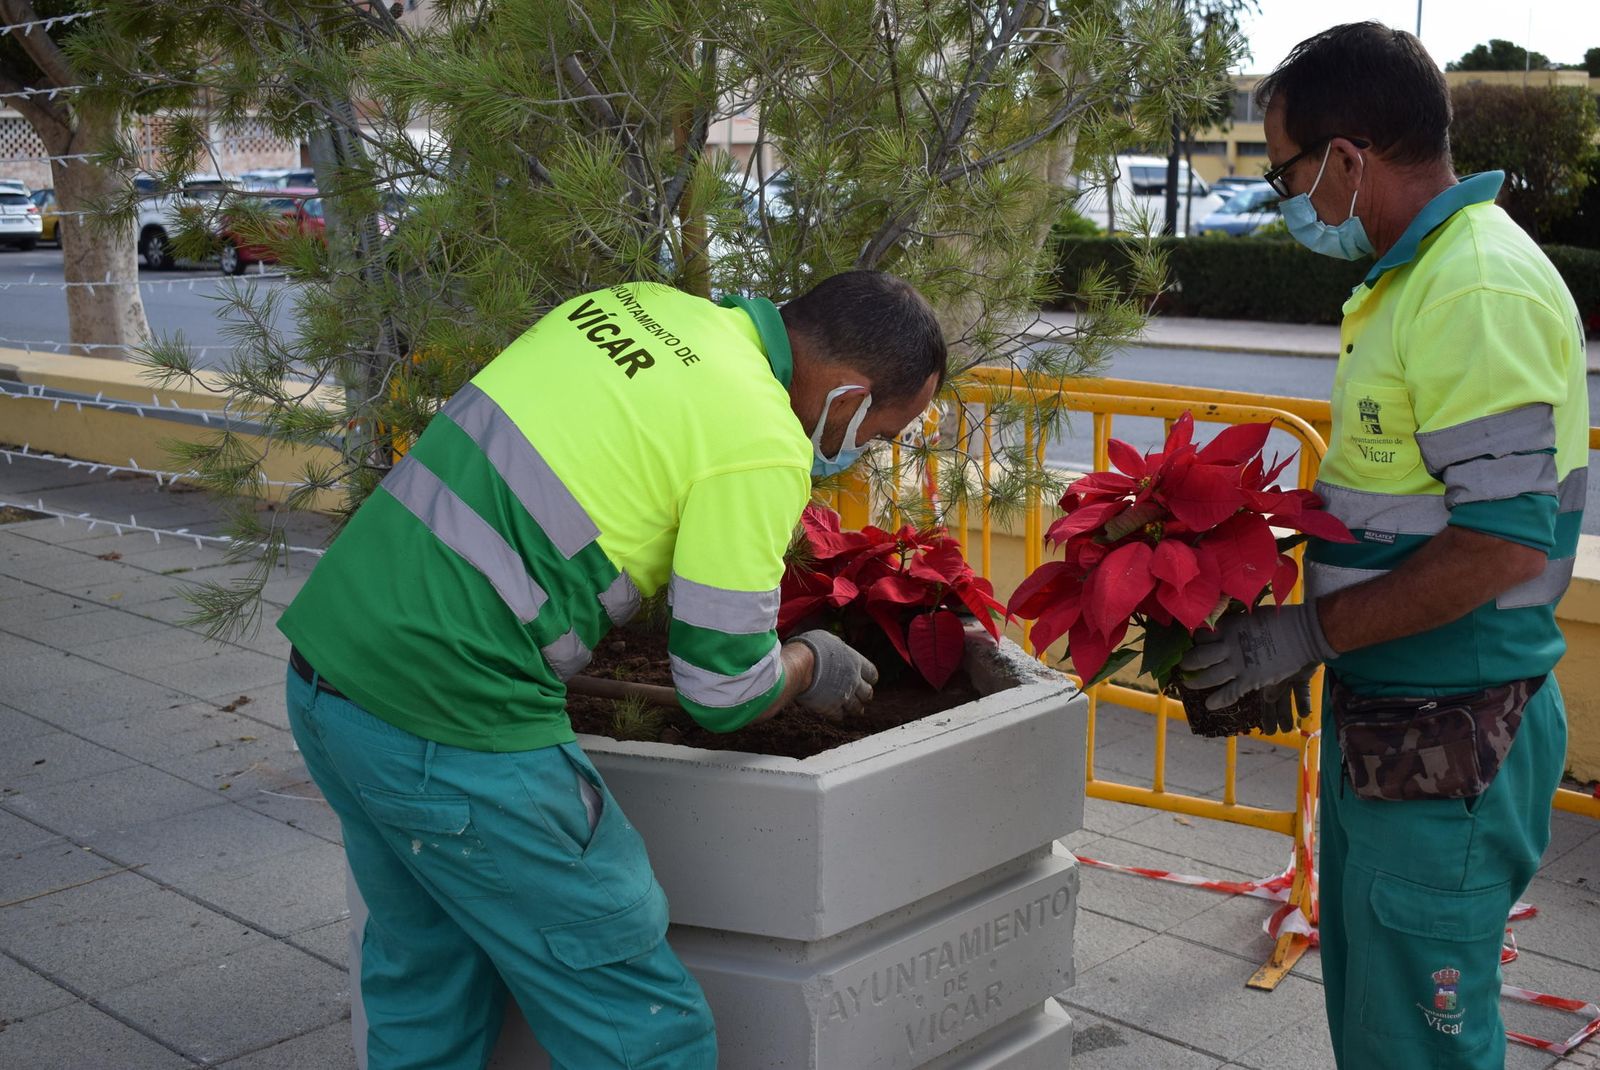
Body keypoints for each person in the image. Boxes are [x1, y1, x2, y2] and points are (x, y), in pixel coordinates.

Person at [278, 270, 947, 1069]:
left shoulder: (636, 305)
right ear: (846, 397)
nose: (862, 451)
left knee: (427, 979)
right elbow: (722, 689)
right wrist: (809, 665)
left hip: (330, 671)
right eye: (876, 433)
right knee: (646, 1034)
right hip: (451, 718)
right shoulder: (760, 440)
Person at [1178, 22, 1588, 1070]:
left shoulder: (1475, 286)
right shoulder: (1416, 279)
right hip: (1398, 726)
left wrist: (1310, 630)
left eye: (1287, 173)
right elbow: (1398, 505)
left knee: (1421, 1045)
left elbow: (1500, 545)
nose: (1286, 200)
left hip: (1456, 735)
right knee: (1381, 1030)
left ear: (1349, 159)